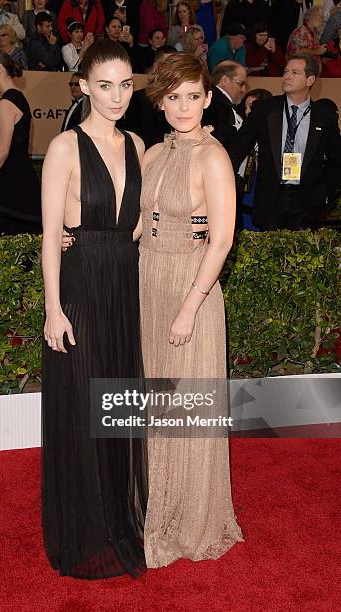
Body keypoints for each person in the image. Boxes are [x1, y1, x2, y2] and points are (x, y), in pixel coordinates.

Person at [41, 38, 147, 579]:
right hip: (81, 286)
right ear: (83, 86)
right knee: (84, 405)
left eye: (126, 84)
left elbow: (148, 222)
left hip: (124, 284)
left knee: (118, 404)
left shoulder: (137, 143)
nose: (117, 95)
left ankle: (118, 519)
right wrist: (52, 310)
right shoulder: (65, 148)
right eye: (104, 85)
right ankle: (82, 527)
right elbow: (48, 237)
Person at [140, 52, 243, 568]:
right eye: (174, 97)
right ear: (160, 101)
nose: (184, 107)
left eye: (194, 96)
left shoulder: (213, 156)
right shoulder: (153, 155)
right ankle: (160, 502)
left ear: (207, 98)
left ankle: (192, 516)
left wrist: (190, 307)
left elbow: (221, 239)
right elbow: (138, 224)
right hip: (148, 282)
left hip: (190, 288)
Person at [228, 53, 341, 230]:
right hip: (270, 199)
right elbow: (237, 150)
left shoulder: (324, 117)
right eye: (286, 71)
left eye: (295, 72)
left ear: (310, 79)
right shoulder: (264, 110)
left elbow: (337, 160)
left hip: (306, 203)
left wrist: (324, 193)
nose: (287, 76)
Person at [0, 49, 42, 235]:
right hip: (20, 175)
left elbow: (3, 150)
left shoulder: (7, 102)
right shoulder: (19, 98)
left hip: (9, 177)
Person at [122, 44, 174, 148]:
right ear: (156, 67)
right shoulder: (140, 98)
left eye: (176, 65)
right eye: (168, 65)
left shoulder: (182, 96)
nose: (172, 70)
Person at [239, 87, 272, 230]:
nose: (247, 111)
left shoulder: (273, 134)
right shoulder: (241, 132)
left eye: (252, 107)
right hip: (245, 187)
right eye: (245, 106)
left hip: (264, 187)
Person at [201, 60, 247, 150]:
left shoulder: (227, 103)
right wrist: (238, 129)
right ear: (225, 80)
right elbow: (214, 134)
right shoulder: (211, 101)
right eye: (240, 84)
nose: (243, 90)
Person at [286, 5, 327, 72]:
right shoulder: (300, 32)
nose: (323, 20)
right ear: (313, 16)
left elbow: (310, 50)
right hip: (301, 75)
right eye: (321, 17)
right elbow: (297, 52)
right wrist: (317, 51)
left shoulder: (313, 32)